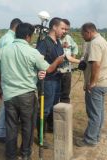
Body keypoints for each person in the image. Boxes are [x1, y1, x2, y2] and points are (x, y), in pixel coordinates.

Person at [0, 22, 64, 160]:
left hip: (9, 96)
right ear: (28, 36)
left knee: (11, 126)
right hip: (27, 96)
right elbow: (48, 69)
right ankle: (26, 154)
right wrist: (57, 61)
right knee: (27, 126)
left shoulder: (3, 51)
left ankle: (11, 155)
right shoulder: (33, 52)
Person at [76, 22, 107, 147]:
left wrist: (92, 83)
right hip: (104, 82)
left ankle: (90, 139)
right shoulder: (103, 41)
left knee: (93, 113)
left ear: (88, 32)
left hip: (97, 84)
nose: (82, 37)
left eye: (83, 34)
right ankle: (96, 136)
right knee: (99, 112)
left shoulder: (95, 43)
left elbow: (96, 64)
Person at [36, 17, 66, 147]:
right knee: (44, 109)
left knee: (53, 107)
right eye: (62, 28)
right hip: (47, 82)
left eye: (65, 29)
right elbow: (39, 63)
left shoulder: (58, 42)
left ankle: (50, 128)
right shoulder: (44, 43)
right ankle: (41, 137)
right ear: (54, 27)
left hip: (57, 79)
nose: (64, 31)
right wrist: (56, 62)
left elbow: (61, 57)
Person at [0, 18, 22, 142]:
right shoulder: (9, 40)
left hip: (4, 75)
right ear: (17, 28)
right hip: (8, 77)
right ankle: (0, 132)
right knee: (7, 106)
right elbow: (8, 60)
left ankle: (1, 131)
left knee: (7, 105)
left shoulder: (4, 37)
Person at [59, 18, 79, 103]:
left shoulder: (69, 38)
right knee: (55, 93)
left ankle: (63, 113)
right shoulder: (54, 38)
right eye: (63, 29)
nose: (65, 31)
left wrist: (72, 59)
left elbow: (75, 47)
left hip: (67, 69)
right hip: (55, 70)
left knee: (65, 93)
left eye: (67, 29)